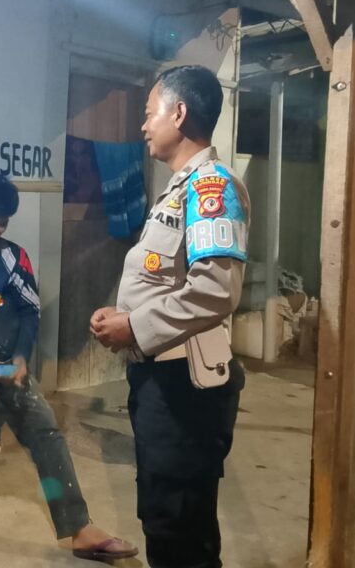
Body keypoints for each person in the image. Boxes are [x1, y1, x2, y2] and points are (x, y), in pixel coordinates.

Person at [0, 173, 138, 562]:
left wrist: (20, 358)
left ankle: (78, 527)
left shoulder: (14, 258)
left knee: (44, 427)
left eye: (2, 223)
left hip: (3, 361)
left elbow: (29, 312)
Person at [90, 65, 249, 568]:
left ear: (178, 114)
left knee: (180, 529)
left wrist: (134, 326)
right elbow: (171, 279)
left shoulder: (211, 188)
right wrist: (124, 314)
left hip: (185, 387)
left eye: (149, 112)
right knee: (165, 518)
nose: (143, 125)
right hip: (163, 378)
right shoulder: (180, 189)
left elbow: (215, 290)